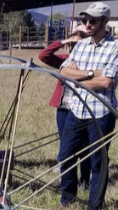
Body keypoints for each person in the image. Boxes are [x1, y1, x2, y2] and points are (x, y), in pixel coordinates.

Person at [57, 2, 118, 210]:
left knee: (97, 161)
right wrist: (92, 73)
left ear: (104, 22)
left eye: (92, 20)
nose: (88, 24)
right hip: (77, 109)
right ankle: (67, 198)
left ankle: (94, 207)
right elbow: (63, 71)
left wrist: (78, 76)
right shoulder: (81, 45)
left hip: (101, 113)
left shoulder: (115, 47)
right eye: (85, 20)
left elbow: (107, 83)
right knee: (65, 156)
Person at [38, 22, 90, 188]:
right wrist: (62, 42)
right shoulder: (64, 60)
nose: (76, 44)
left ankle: (85, 180)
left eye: (81, 39)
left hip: (81, 108)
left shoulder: (89, 62)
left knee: (85, 145)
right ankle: (67, 172)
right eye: (74, 40)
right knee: (66, 141)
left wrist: (79, 73)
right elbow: (43, 56)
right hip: (64, 108)